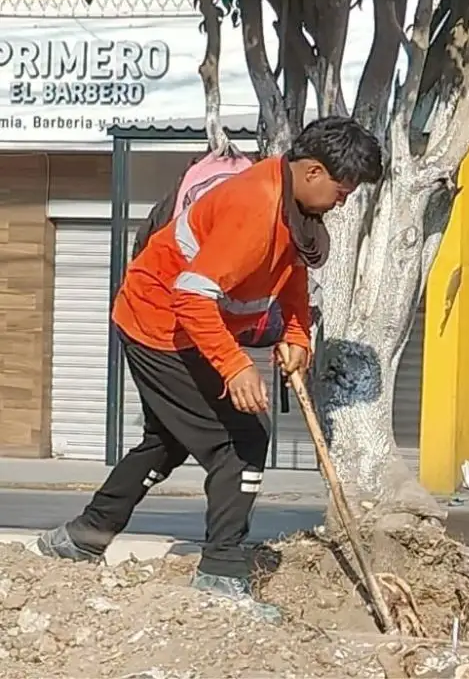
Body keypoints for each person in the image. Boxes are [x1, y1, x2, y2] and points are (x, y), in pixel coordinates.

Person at [37, 117, 384, 621]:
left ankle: (83, 537)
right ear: (312, 172)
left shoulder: (293, 205)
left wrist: (295, 336)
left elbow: (291, 275)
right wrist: (235, 366)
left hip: (189, 325)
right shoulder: (255, 207)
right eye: (343, 189)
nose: (344, 201)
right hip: (159, 323)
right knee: (241, 440)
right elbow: (191, 296)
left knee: (170, 440)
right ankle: (220, 571)